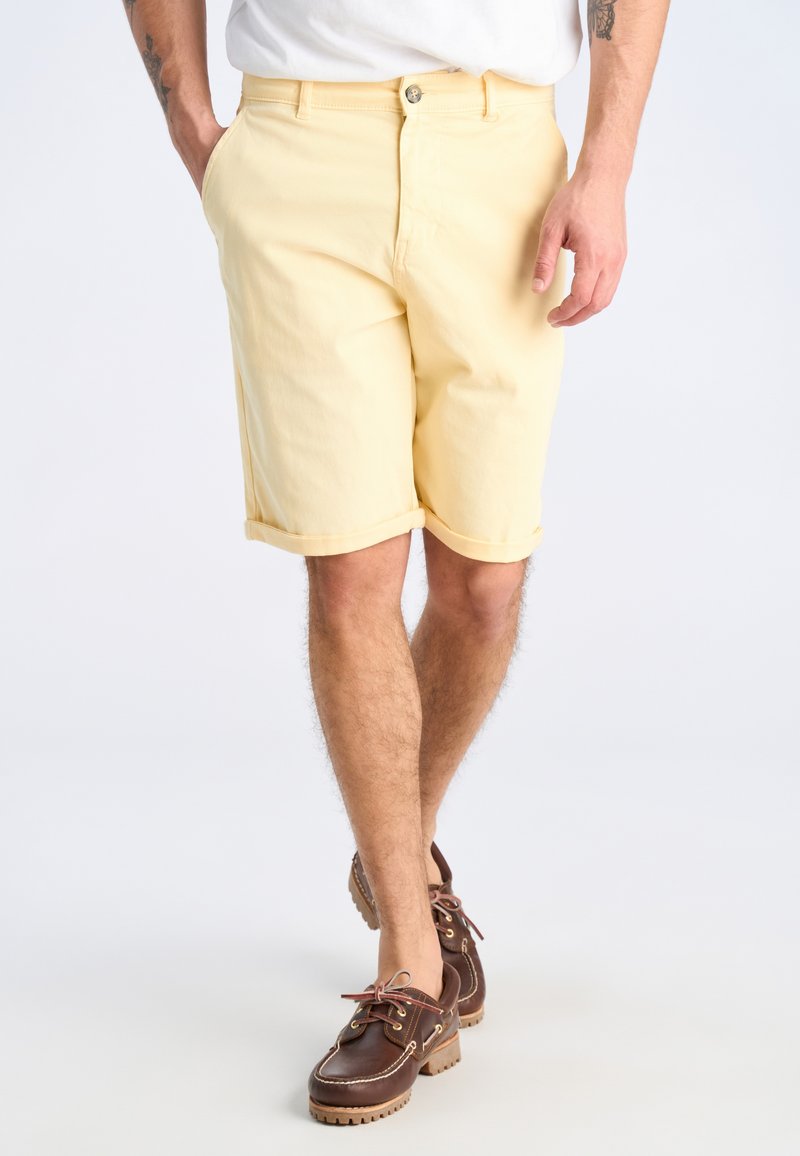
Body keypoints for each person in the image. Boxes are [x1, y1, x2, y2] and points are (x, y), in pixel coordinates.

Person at [123, 0, 670, 1126]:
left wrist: (607, 165)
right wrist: (194, 128)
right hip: (299, 149)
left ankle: (399, 855)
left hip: (500, 154)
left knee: (483, 582)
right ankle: (409, 968)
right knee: (350, 571)